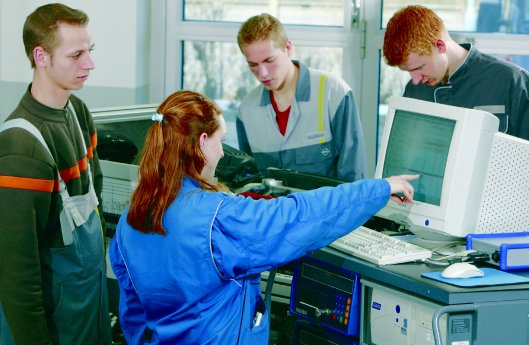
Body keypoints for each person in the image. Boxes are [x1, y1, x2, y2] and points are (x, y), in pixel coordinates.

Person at [109, 89, 417, 344]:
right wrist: (378, 189)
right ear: (202, 143)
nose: (222, 153)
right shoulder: (218, 220)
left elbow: (133, 314)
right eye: (219, 141)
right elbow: (299, 216)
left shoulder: (132, 216)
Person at [0, 3, 111, 345]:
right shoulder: (21, 147)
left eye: (89, 51)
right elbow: (17, 272)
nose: (89, 63)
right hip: (55, 315)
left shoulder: (77, 110)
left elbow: (96, 192)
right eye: (76, 54)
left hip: (90, 295)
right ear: (41, 56)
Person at [236, 13, 368, 181]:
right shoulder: (246, 111)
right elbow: (248, 182)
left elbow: (355, 181)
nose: (262, 73)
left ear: (288, 48)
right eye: (253, 65)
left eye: (269, 60)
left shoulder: (334, 93)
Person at [383, 4, 529, 140]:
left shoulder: (512, 81)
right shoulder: (413, 93)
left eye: (419, 67)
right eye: (409, 71)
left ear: (440, 46)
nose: (415, 80)